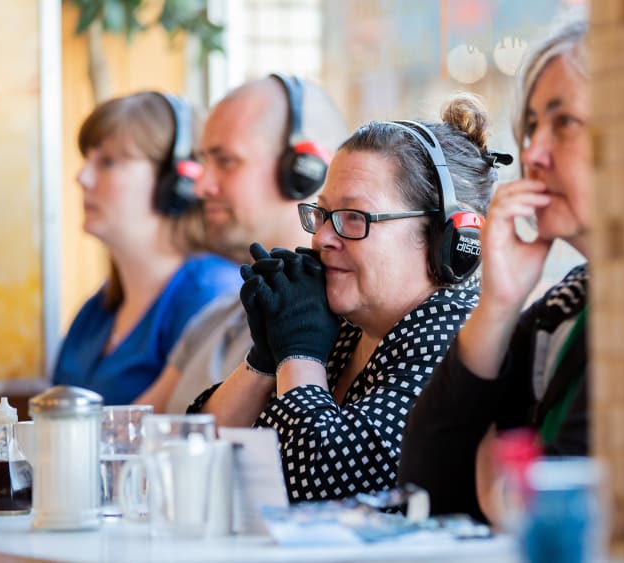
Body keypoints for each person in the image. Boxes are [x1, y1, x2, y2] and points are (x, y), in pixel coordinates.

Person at [188, 94, 501, 502]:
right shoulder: (348, 332)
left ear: (447, 240)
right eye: (322, 214)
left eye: (354, 217)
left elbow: (316, 483)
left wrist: (298, 352)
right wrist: (265, 360)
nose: (321, 238)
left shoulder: (454, 340)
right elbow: (198, 458)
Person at [398, 21, 592, 522]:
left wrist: (492, 471)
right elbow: (427, 490)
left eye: (563, 122)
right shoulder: (569, 304)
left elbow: (544, 509)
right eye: (531, 127)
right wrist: (498, 304)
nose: (532, 153)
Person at [134, 74, 348, 413]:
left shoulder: (344, 328)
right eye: (204, 161)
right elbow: (133, 433)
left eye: (226, 161)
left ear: (302, 171)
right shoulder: (218, 314)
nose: (201, 185)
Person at [52, 92, 241, 405]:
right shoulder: (97, 309)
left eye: (108, 162)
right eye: (88, 160)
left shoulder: (210, 293)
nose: (82, 177)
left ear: (177, 180)